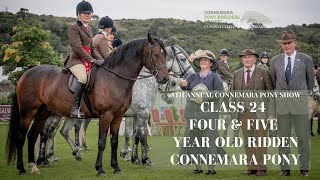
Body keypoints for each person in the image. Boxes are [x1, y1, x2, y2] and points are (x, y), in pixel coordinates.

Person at [270, 30, 314, 177]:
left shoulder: (306, 59)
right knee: (283, 139)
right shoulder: (274, 61)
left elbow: (310, 82)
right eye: (284, 43)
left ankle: (304, 168)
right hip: (282, 107)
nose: (286, 46)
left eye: (289, 43)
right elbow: (273, 84)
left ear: (295, 43)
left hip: (300, 106)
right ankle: (285, 169)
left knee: (303, 138)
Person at [180, 49, 224, 175]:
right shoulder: (192, 76)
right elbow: (185, 88)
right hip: (193, 115)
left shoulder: (215, 77)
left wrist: (204, 97)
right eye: (201, 60)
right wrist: (183, 85)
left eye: (206, 60)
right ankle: (198, 167)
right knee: (195, 141)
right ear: (198, 63)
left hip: (209, 115)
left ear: (211, 63)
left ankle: (211, 168)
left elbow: (220, 92)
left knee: (210, 141)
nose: (203, 61)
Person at [231, 48, 274, 176]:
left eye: (249, 57)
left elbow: (271, 95)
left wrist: (271, 114)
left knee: (260, 140)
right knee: (248, 141)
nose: (247, 59)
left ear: (255, 59)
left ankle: (261, 168)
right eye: (244, 57)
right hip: (243, 113)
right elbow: (233, 96)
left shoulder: (264, 72)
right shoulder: (236, 73)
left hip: (260, 113)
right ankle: (251, 167)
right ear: (242, 59)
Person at [64, 0, 103, 118]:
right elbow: (78, 48)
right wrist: (93, 60)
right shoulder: (73, 29)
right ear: (78, 14)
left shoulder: (89, 29)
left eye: (89, 13)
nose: (87, 15)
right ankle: (74, 108)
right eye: (84, 13)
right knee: (82, 78)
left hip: (88, 59)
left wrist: (101, 60)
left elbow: (92, 48)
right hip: (76, 61)